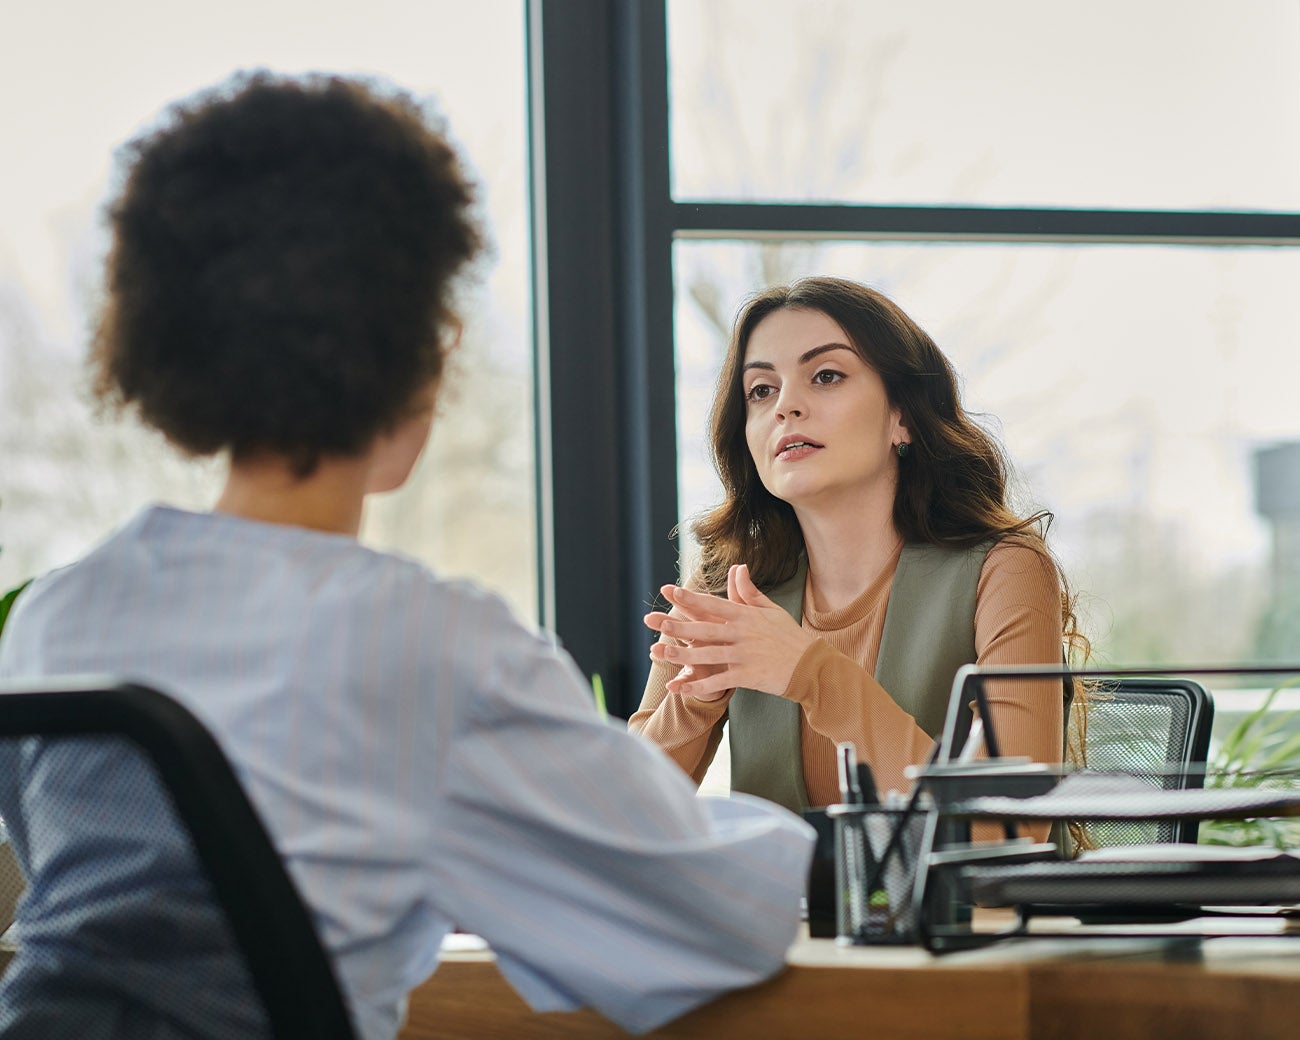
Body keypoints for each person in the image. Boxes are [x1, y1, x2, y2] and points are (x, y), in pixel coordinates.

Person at [0, 72, 814, 1040]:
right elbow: (711, 919)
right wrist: (798, 837)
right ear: (418, 354)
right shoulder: (430, 641)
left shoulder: (57, 617)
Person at [630, 277, 1084, 824]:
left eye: (826, 376)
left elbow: (1013, 824)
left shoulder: (1005, 569)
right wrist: (694, 703)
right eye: (761, 390)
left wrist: (811, 673)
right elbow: (623, 821)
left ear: (903, 416)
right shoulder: (722, 584)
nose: (786, 406)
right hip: (783, 887)